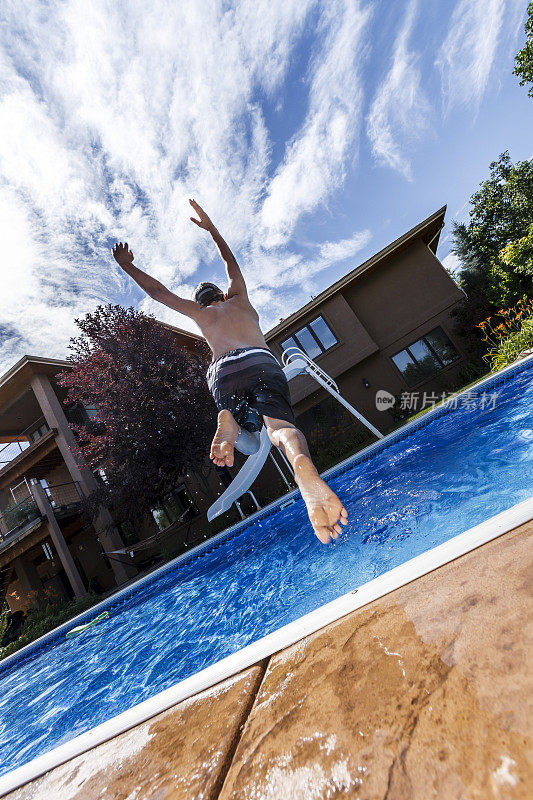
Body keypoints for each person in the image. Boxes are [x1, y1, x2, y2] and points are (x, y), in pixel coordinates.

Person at [112, 199, 348, 543]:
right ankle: (299, 461)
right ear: (222, 293)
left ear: (202, 301)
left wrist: (127, 267)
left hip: (223, 372)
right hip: (260, 360)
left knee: (251, 446)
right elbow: (229, 261)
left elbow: (157, 292)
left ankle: (230, 422)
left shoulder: (202, 315)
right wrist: (211, 230)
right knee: (280, 430)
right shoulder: (239, 299)